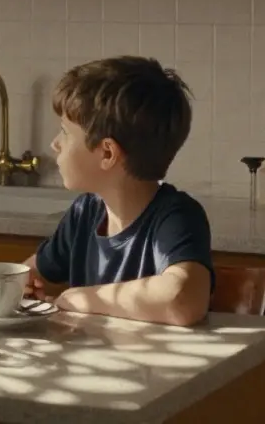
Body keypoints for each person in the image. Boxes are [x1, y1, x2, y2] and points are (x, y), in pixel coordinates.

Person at [24, 56, 214, 327]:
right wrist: (19, 284)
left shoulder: (176, 217)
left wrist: (80, 299)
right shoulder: (85, 212)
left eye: (65, 132)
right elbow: (30, 273)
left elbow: (181, 300)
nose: (55, 144)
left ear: (108, 153)